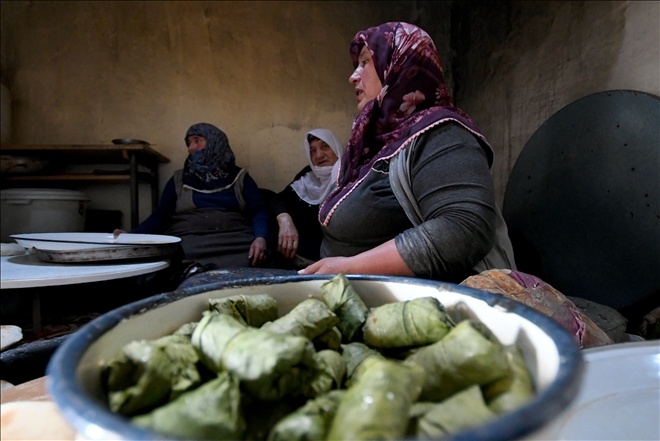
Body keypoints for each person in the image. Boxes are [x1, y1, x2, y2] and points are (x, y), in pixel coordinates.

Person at [299, 22, 516, 283]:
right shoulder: (372, 147)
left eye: (366, 62)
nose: (353, 76)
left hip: (423, 307)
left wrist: (350, 267)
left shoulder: (439, 132)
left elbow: (463, 227)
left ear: (400, 64)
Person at [114, 123, 269, 270]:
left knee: (259, 257)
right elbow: (160, 217)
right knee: (173, 261)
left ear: (215, 142)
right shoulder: (179, 179)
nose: (191, 148)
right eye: (189, 143)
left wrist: (261, 238)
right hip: (191, 241)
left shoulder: (240, 178)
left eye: (197, 141)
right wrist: (131, 236)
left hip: (234, 241)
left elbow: (258, 211)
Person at [267, 129, 345, 269]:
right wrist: (285, 220)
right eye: (312, 150)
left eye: (325, 146)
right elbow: (275, 199)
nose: (319, 155)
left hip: (336, 263)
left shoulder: (352, 177)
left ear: (336, 147)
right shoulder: (308, 177)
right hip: (297, 260)